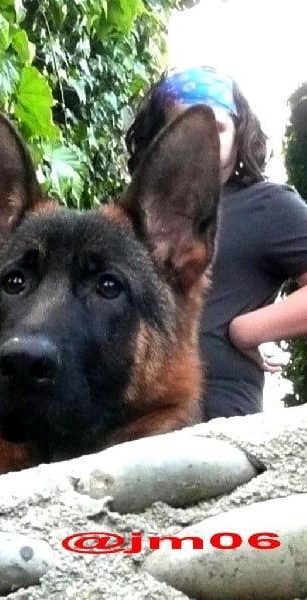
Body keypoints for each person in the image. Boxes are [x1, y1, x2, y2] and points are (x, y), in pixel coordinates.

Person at [125, 65, 307, 420]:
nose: (203, 139)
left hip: (221, 411)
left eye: (218, 127)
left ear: (239, 134)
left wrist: (245, 331)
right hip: (138, 417)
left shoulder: (269, 206)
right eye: (183, 125)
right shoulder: (133, 215)